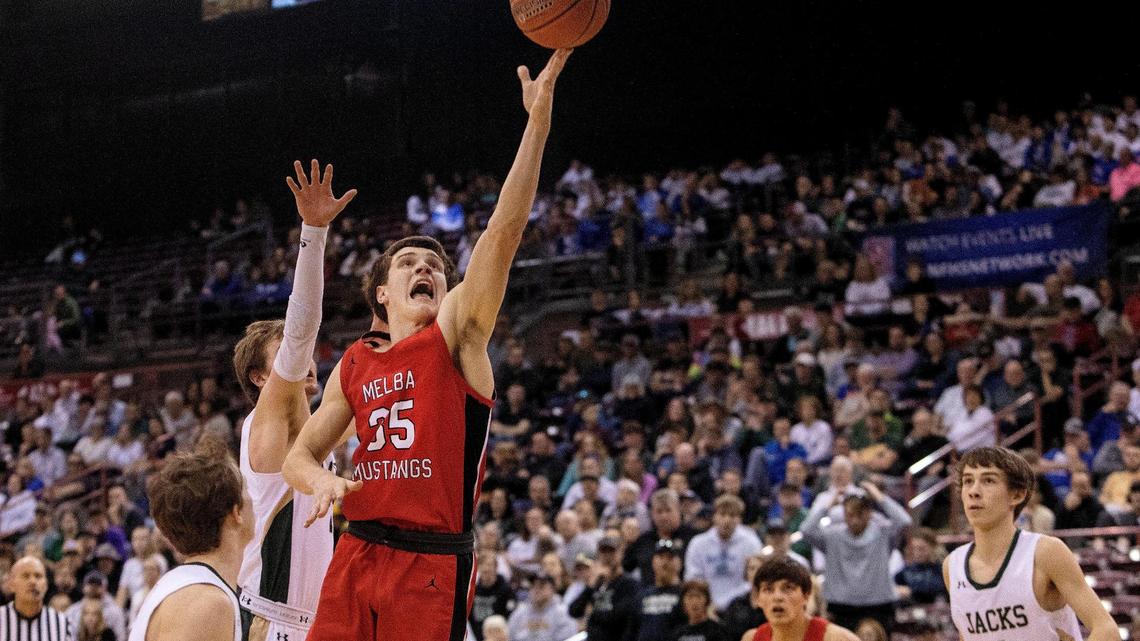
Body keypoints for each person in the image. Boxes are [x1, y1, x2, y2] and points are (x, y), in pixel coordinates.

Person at [283, 49, 572, 641]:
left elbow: (503, 232)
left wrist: (537, 124)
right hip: (357, 551)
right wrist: (325, 483)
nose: (427, 269)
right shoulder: (357, 362)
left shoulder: (458, 335)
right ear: (382, 293)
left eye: (435, 266)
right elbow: (297, 457)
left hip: (430, 562)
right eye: (409, 263)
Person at [230, 160, 357, 641]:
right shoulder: (266, 421)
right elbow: (302, 326)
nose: (301, 359)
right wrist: (314, 233)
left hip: (314, 621)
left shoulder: (314, 429)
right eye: (283, 355)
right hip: (270, 617)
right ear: (262, 376)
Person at [944, 446, 1119, 640]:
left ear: (1017, 495)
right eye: (968, 481)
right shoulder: (952, 566)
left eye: (988, 480)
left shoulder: (1045, 552)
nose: (974, 491)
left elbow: (1106, 629)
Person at [128, 442, 254, 641]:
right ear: (236, 512)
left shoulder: (195, 586)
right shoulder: (206, 601)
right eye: (247, 489)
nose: (254, 499)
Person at [800, 481, 910, 633]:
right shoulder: (832, 535)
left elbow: (904, 521)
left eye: (860, 514)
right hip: (841, 607)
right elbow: (806, 530)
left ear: (869, 512)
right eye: (849, 514)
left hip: (878, 605)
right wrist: (828, 504)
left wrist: (879, 496)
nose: (854, 520)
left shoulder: (883, 533)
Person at [745, 555, 859, 641]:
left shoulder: (837, 638)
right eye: (768, 589)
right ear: (757, 599)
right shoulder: (752, 638)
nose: (777, 597)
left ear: (806, 595)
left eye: (787, 588)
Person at [1, 556, 73, 641]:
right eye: (25, 576)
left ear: (46, 585)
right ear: (11, 585)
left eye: (38, 576)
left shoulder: (61, 622)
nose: (33, 581)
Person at [627, 539, 686, 641]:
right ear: (653, 562)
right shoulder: (641, 596)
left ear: (678, 563)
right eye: (661, 557)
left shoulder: (685, 595)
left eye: (669, 557)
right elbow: (631, 631)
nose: (665, 562)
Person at [505, 573, 576, 641]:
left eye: (541, 586)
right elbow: (510, 636)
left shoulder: (563, 613)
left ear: (553, 590)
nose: (536, 589)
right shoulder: (520, 612)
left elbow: (567, 638)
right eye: (533, 585)